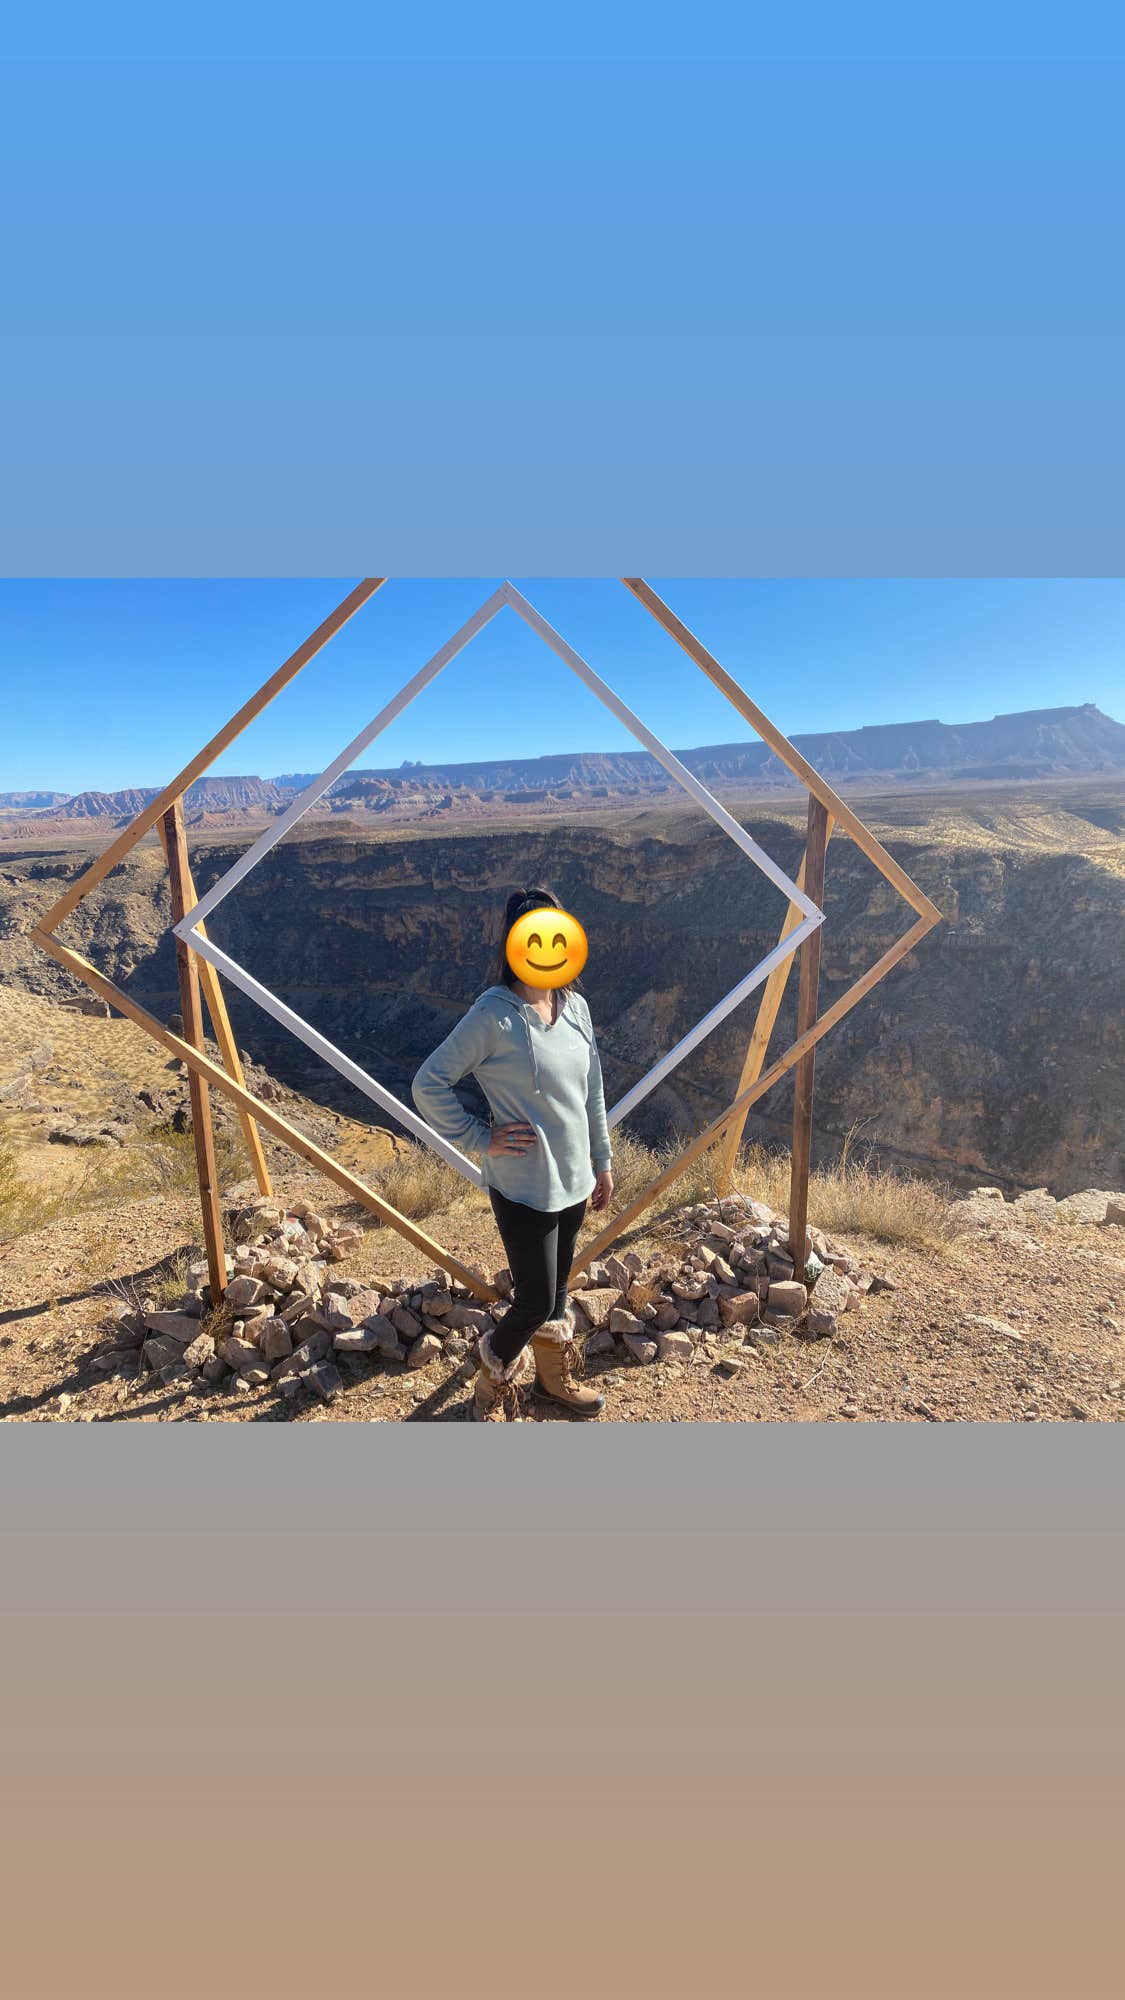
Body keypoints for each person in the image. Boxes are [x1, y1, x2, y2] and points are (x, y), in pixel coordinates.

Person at [412, 887, 614, 1421]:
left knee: (556, 1296)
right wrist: (480, 1138)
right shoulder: (493, 1015)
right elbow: (429, 1083)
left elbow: (591, 1090)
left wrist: (603, 1160)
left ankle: (553, 1383)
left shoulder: (576, 1007)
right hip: (522, 1184)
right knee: (531, 1301)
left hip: (573, 1180)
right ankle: (490, 1380)